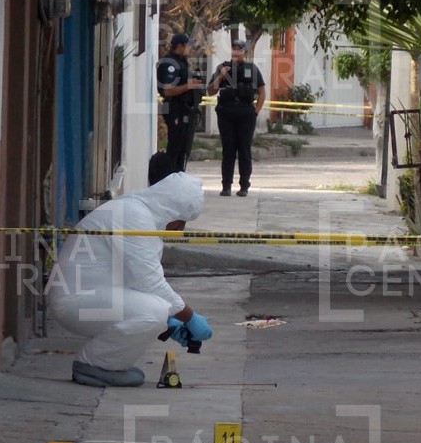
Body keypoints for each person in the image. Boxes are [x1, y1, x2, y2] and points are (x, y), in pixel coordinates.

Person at [47, 153, 213, 387]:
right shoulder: (134, 216)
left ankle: (105, 363)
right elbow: (150, 282)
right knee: (153, 312)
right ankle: (94, 364)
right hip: (74, 301)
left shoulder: (139, 212)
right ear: (170, 210)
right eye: (182, 221)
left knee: (157, 311)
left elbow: (137, 280)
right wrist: (188, 316)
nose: (180, 229)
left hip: (89, 296)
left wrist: (170, 322)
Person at [208, 39, 266, 197]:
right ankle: (226, 186)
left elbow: (262, 91)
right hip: (226, 112)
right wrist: (221, 76)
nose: (236, 52)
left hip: (246, 113)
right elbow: (211, 90)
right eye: (233, 49)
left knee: (244, 150)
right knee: (228, 150)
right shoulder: (223, 67)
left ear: (244, 52)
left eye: (239, 49)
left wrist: (256, 111)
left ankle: (244, 186)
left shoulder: (252, 69)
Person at [157, 33, 205, 171]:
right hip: (175, 109)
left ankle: (178, 174)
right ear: (180, 46)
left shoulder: (181, 62)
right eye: (188, 45)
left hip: (186, 110)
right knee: (175, 148)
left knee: (184, 149)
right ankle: (172, 177)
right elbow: (168, 90)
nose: (190, 48)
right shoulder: (169, 63)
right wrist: (188, 86)